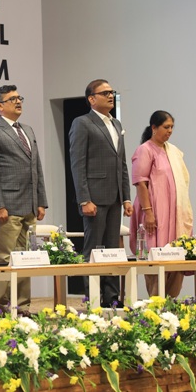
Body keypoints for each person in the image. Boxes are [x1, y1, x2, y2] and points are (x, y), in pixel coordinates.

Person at [0, 85, 47, 316]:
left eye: (19, 98)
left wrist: (41, 201)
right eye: (12, 99)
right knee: (3, 258)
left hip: (29, 205)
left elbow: (36, 167)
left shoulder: (27, 129)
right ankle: (2, 308)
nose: (18, 102)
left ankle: (22, 307)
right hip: (7, 205)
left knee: (26, 258)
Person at [69, 79, 133, 308]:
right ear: (91, 99)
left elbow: (121, 163)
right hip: (94, 197)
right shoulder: (82, 123)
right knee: (94, 249)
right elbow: (78, 163)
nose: (110, 95)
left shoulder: (116, 123)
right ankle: (93, 297)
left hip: (115, 197)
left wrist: (126, 196)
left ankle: (112, 297)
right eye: (105, 92)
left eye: (111, 92)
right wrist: (84, 199)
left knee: (113, 249)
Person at [129, 110, 193, 297]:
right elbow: (140, 183)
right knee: (156, 256)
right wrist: (148, 212)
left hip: (174, 214)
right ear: (154, 128)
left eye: (172, 127)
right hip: (154, 213)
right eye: (166, 127)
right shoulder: (145, 150)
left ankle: (171, 304)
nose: (170, 130)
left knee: (177, 254)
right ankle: (156, 303)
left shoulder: (173, 151)